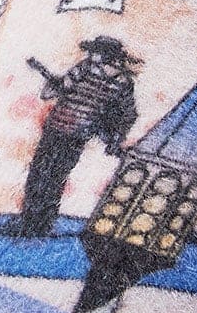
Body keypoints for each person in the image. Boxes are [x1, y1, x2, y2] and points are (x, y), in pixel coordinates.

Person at [18, 36, 140, 235]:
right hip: (80, 133)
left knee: (39, 171)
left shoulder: (85, 67)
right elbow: (129, 113)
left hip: (58, 125)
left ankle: (28, 221)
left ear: (102, 54)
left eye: (95, 51)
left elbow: (58, 90)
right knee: (58, 176)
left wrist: (46, 76)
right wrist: (117, 137)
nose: (91, 54)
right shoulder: (124, 82)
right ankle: (43, 224)